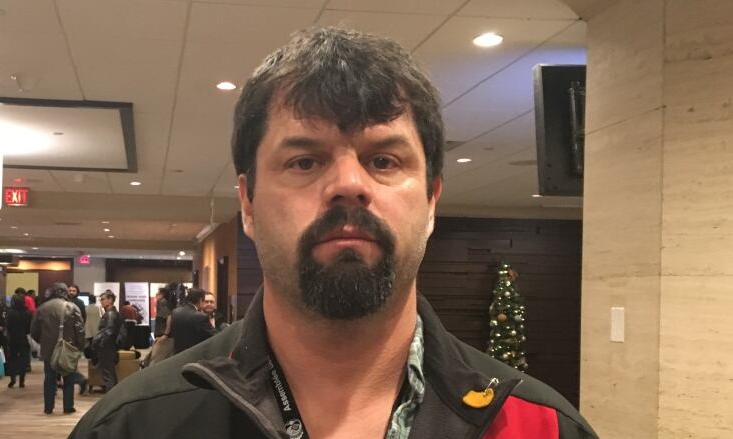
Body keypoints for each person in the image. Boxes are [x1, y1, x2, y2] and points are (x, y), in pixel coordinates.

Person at [71, 27, 597, 438]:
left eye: (384, 160)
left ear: (432, 200)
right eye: (304, 161)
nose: (349, 184)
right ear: (248, 204)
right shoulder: (133, 427)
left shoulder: (541, 429)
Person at [30, 283, 85, 414]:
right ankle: (68, 407)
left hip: (48, 348)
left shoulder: (42, 308)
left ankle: (48, 407)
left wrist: (43, 341)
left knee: (49, 377)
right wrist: (79, 346)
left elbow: (34, 330)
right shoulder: (72, 307)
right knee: (68, 376)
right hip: (67, 347)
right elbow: (80, 329)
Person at [166, 288, 216, 354]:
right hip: (194, 356)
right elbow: (213, 335)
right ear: (200, 300)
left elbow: (171, 334)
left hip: (178, 355)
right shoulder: (200, 317)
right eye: (205, 301)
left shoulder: (175, 312)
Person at [91, 291, 121, 393]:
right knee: (109, 374)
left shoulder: (111, 314)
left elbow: (109, 331)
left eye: (103, 299)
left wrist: (100, 344)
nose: (101, 302)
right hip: (108, 347)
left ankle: (112, 399)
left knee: (108, 375)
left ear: (110, 300)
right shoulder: (110, 313)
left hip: (107, 348)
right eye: (101, 299)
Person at [5, 293, 32, 388]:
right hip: (24, 338)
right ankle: (22, 380)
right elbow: (29, 328)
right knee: (23, 360)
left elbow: (7, 326)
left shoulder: (10, 312)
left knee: (12, 359)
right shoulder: (28, 313)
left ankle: (12, 378)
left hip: (12, 338)